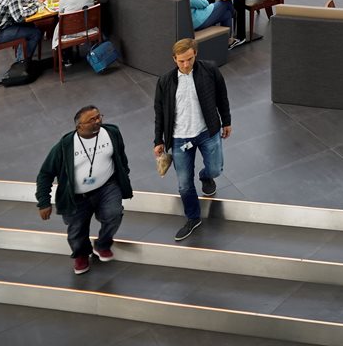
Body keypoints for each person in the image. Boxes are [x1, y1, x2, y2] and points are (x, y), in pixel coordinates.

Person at [36, 103, 135, 274]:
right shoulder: (65, 145)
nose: (98, 121)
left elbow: (120, 155)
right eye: (92, 119)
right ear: (79, 126)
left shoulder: (112, 132)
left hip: (107, 186)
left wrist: (123, 174)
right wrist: (43, 202)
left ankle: (102, 244)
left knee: (114, 214)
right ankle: (81, 254)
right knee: (76, 230)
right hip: (77, 196)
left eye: (99, 116)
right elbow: (45, 174)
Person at [152, 37, 230, 242]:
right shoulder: (165, 81)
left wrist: (227, 121)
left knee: (216, 169)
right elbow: (159, 111)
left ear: (195, 54)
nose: (186, 65)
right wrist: (158, 140)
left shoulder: (210, 71)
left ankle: (206, 177)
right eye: (181, 61)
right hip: (179, 138)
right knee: (184, 184)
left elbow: (222, 95)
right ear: (174, 59)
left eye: (189, 59)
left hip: (207, 131)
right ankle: (193, 218)